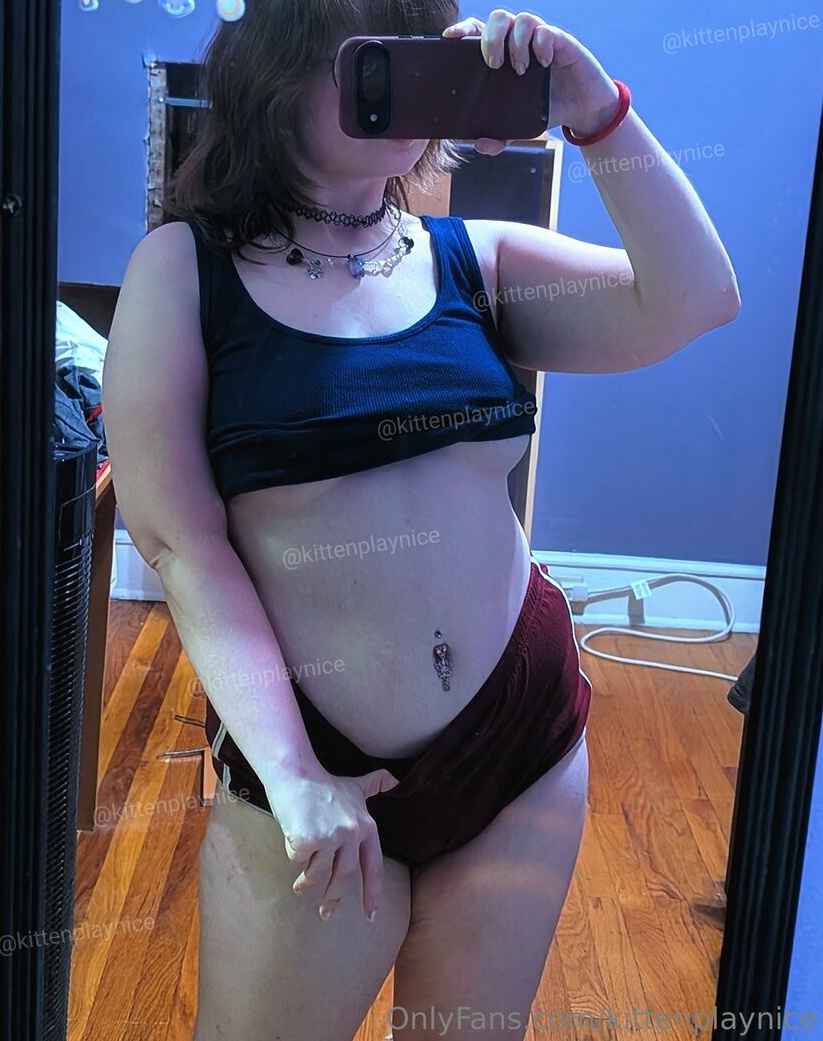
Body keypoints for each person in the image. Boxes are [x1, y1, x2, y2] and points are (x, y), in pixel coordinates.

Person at [102, 2, 740, 1038]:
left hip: (521, 745)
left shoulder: (474, 261)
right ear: (279, 74)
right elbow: (180, 542)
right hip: (314, 763)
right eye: (375, 56)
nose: (407, 84)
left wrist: (594, 111)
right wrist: (291, 774)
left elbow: (695, 296)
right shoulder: (185, 273)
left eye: (421, 51)